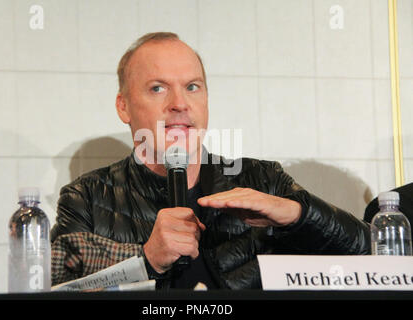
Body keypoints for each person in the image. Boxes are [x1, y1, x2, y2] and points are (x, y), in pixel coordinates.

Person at [50, 32, 370, 290]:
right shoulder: (87, 197)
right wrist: (145, 260)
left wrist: (298, 213)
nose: (179, 104)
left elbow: (376, 256)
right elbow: (57, 285)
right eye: (157, 88)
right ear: (124, 106)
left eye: (192, 87)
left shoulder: (261, 179)